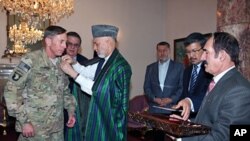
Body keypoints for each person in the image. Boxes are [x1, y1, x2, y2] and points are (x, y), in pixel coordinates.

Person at [172, 32, 250, 141]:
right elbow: (210, 121)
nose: (203, 57)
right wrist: (185, 125)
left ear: (222, 56)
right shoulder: (218, 82)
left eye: (206, 52)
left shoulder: (239, 91)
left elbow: (223, 136)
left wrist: (181, 138)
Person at [3, 25, 77, 141]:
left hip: (57, 129)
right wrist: (24, 122)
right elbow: (11, 91)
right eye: (61, 41)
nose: (64, 46)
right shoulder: (31, 60)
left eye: (65, 42)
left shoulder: (61, 63)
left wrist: (71, 111)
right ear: (48, 41)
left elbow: (65, 91)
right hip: (35, 129)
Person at [60, 24, 132, 141]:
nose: (94, 48)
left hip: (111, 120)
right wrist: (73, 63)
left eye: (96, 44)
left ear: (108, 42)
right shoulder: (106, 61)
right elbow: (86, 72)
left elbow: (99, 90)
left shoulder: (119, 66)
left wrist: (72, 73)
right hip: (103, 115)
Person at [173, 33, 212, 120]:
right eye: (188, 52)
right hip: (187, 119)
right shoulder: (187, 71)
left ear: (204, 49)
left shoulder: (210, 70)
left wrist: (189, 102)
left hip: (204, 120)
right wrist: (177, 106)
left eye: (194, 51)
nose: (191, 56)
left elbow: (207, 96)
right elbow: (185, 94)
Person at [143, 41, 184, 114]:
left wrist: (171, 99)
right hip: (154, 109)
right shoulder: (150, 68)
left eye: (164, 50)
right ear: (157, 52)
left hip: (171, 109)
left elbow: (181, 87)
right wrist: (154, 98)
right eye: (159, 51)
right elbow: (146, 87)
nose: (162, 53)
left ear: (169, 51)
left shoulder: (179, 67)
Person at [64, 31, 89, 141]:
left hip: (79, 108)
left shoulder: (86, 63)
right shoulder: (56, 60)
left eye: (76, 45)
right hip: (60, 107)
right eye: (69, 43)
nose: (72, 47)